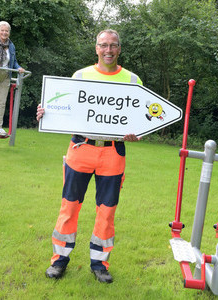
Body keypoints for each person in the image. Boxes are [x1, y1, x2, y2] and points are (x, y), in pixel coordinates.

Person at [36, 29, 141, 283]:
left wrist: (136, 133)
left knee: (106, 211)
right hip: (81, 148)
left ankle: (100, 264)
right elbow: (64, 108)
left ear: (119, 49)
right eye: (103, 45)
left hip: (113, 152)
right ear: (96, 48)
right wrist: (46, 112)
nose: (108, 50)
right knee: (69, 206)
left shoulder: (131, 80)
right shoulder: (80, 75)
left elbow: (139, 118)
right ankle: (59, 261)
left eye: (113, 46)